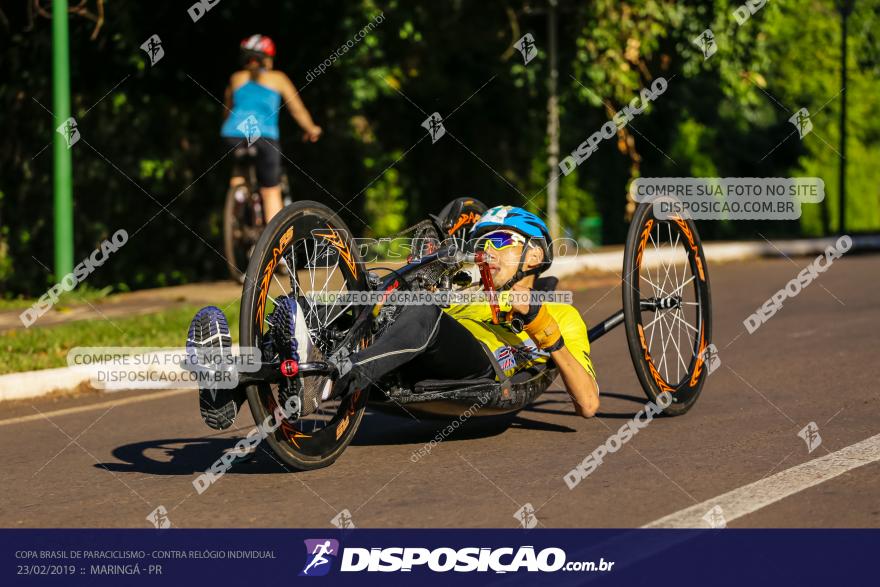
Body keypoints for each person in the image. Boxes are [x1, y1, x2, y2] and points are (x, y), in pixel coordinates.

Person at [333, 205, 600, 418]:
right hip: (420, 350)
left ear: (534, 255)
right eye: (480, 245)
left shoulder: (559, 312)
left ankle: (338, 376)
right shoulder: (466, 292)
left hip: (484, 365)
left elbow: (588, 404)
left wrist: (538, 321)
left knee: (424, 312)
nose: (487, 251)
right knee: (362, 304)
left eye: (498, 240)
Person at [221, 34, 322, 223]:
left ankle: (237, 214)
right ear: (267, 58)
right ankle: (276, 242)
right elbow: (297, 110)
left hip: (233, 134)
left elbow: (227, 110)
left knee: (239, 173)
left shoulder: (236, 78)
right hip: (263, 136)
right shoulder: (278, 78)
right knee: (270, 190)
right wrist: (311, 129)